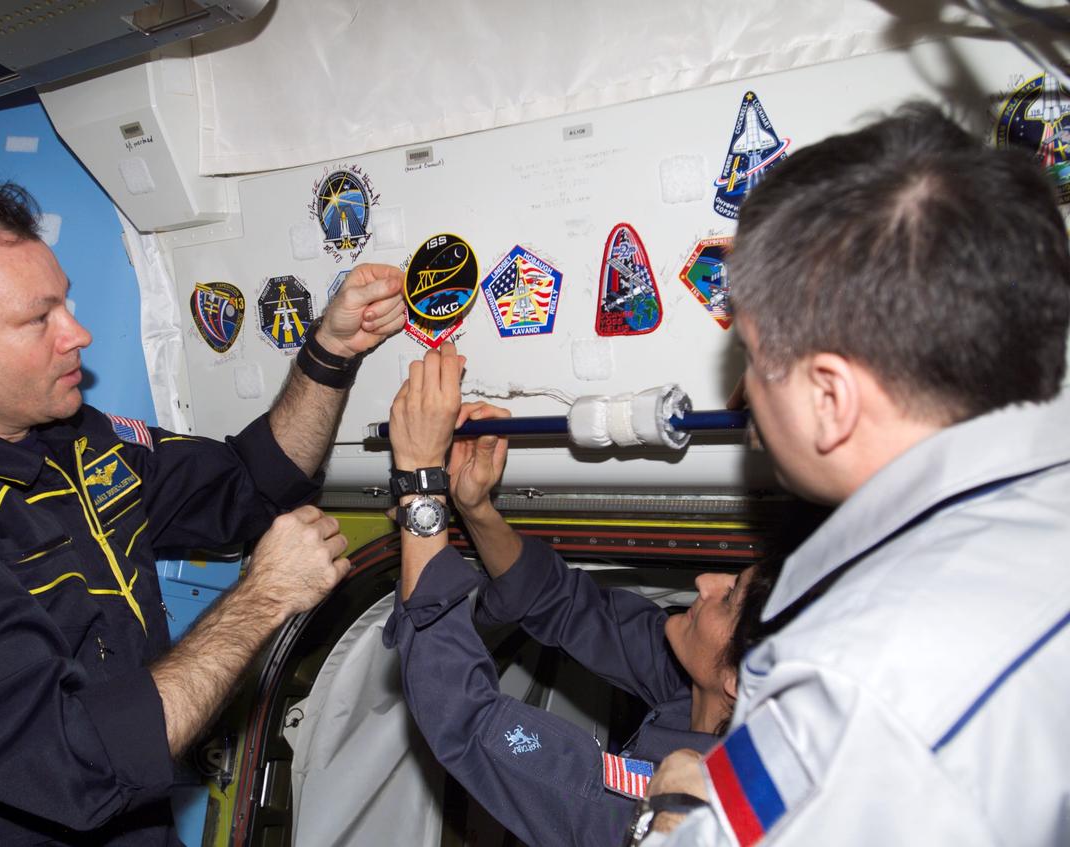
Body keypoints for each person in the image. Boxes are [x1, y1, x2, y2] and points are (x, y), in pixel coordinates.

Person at [0, 175, 406, 846]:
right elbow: (81, 763)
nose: (78, 333)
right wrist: (262, 598)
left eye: (68, 303)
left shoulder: (72, 440)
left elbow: (251, 484)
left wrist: (330, 351)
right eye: (39, 318)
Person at [641, 104, 1070, 845]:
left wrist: (674, 811)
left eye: (749, 351)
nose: (742, 392)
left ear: (830, 397)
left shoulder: (845, 689)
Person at [381, 343, 782, 847]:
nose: (706, 582)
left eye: (728, 598)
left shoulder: (639, 809)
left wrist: (420, 480)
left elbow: (462, 713)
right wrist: (475, 508)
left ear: (735, 679)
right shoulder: (693, 700)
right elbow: (565, 603)